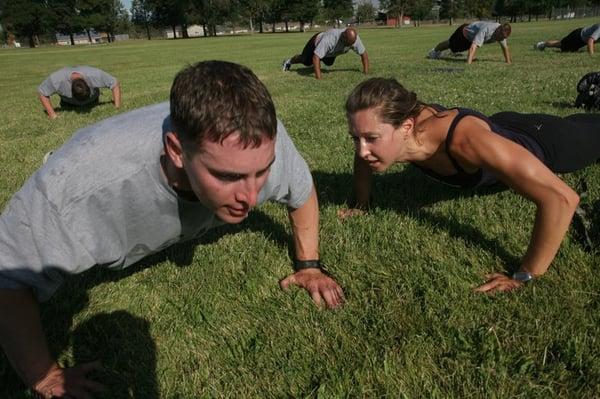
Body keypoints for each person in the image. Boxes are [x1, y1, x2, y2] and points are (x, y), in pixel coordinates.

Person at [0, 60, 344, 398]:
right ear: (176, 152)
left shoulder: (261, 144)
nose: (251, 197)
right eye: (228, 176)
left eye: (262, 172)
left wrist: (309, 266)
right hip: (89, 166)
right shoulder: (78, 189)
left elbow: (301, 191)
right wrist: (43, 377)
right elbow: (7, 277)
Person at [341, 77, 600, 293]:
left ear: (407, 126)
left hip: (550, 143)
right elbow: (363, 156)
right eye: (356, 138)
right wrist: (361, 203)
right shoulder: (386, 130)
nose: (362, 150)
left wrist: (525, 275)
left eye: (371, 139)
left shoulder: (463, 142)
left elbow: (561, 198)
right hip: (503, 125)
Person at [281, 27, 369, 79]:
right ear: (343, 37)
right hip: (316, 42)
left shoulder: (354, 39)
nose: (351, 46)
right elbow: (315, 57)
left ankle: (319, 59)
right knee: (306, 61)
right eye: (348, 44)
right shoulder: (330, 39)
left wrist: (366, 72)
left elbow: (364, 54)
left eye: (352, 44)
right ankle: (288, 61)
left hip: (329, 51)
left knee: (329, 63)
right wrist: (319, 79)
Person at [38, 66, 122, 119]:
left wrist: (117, 107)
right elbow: (42, 93)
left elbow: (114, 83)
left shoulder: (94, 74)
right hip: (69, 105)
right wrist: (52, 115)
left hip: (92, 102)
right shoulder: (56, 79)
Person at [427, 21, 512, 64]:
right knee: (450, 44)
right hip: (463, 33)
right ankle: (434, 51)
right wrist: (469, 64)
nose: (501, 39)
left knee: (455, 50)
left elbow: (505, 48)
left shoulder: (501, 34)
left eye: (503, 38)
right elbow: (473, 47)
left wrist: (508, 62)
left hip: (470, 39)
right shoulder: (487, 30)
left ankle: (448, 53)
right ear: (498, 30)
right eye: (501, 37)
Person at [534, 23, 600, 55]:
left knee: (569, 52)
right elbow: (590, 40)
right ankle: (542, 44)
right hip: (577, 36)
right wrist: (591, 55)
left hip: (582, 42)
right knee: (560, 44)